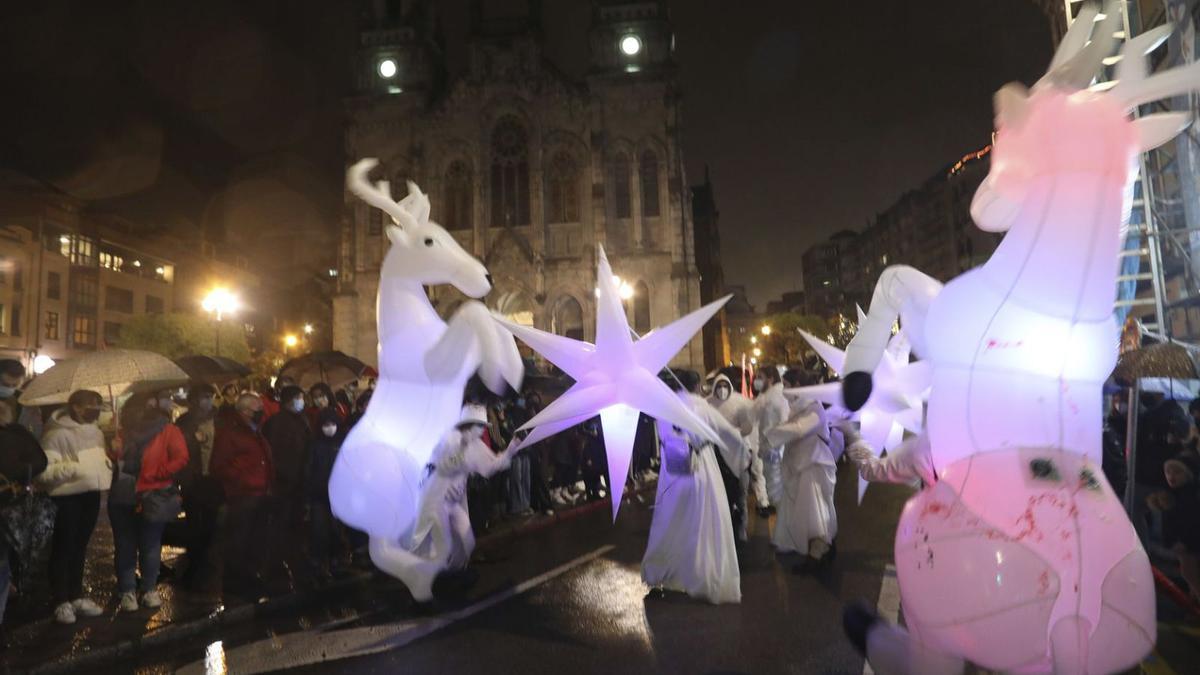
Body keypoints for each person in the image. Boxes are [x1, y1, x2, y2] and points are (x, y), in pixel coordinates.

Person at [369, 404, 518, 603]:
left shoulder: (476, 445)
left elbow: (491, 466)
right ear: (468, 425)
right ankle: (426, 583)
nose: (483, 430)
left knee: (467, 542)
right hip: (435, 501)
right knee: (442, 546)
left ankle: (452, 577)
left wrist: (511, 449)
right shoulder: (448, 439)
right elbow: (442, 464)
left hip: (452, 504)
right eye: (479, 426)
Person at [642, 370, 744, 604]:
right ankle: (700, 575)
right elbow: (730, 435)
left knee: (671, 520)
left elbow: (663, 436)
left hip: (673, 470)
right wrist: (740, 454)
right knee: (703, 520)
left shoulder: (665, 408)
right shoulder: (704, 408)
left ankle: (666, 575)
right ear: (697, 385)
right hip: (702, 467)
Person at [108, 394, 189, 611]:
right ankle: (127, 590)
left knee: (151, 545)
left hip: (153, 495)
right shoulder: (120, 432)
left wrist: (157, 473)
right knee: (125, 545)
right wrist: (112, 450)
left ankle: (149, 589)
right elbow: (113, 464)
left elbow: (180, 457)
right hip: (123, 495)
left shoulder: (168, 430)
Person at [39, 390, 111, 624]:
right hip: (66, 498)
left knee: (80, 546)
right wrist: (72, 469)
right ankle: (61, 600)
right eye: (92, 406)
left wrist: (108, 463)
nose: (97, 411)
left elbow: (100, 463)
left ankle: (76, 595)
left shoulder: (97, 433)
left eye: (99, 406)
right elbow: (44, 473)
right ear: (76, 407)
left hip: (90, 496)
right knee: (63, 547)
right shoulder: (55, 435)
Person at [210, 394, 277, 593]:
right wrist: (243, 479)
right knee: (240, 540)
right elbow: (219, 466)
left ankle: (252, 576)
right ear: (245, 411)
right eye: (257, 408)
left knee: (257, 539)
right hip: (242, 496)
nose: (261, 411)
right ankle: (236, 583)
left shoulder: (255, 431)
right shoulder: (231, 434)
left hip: (260, 493)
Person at [767, 391, 837, 572]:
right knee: (803, 510)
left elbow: (799, 429)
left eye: (788, 386)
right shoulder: (798, 407)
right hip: (799, 463)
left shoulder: (815, 407)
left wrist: (771, 434)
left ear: (798, 386)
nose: (785, 391)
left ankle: (818, 554)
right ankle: (812, 550)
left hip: (812, 463)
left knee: (814, 512)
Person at [0, 398, 48, 631]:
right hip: (11, 506)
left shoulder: (16, 435)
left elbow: (40, 462)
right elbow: (40, 462)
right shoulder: (17, 435)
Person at [175, 384, 222, 592]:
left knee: (212, 520)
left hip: (213, 477)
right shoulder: (184, 421)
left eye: (210, 396)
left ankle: (209, 557)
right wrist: (194, 441)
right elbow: (178, 449)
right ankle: (195, 560)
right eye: (203, 396)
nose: (208, 400)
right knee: (194, 520)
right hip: (192, 478)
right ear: (194, 400)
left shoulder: (220, 419)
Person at [262, 385, 312, 557]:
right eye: (299, 397)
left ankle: (292, 553)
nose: (301, 401)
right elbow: (275, 453)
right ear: (289, 400)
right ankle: (280, 557)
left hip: (298, 480)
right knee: (283, 521)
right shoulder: (277, 423)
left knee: (295, 520)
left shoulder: (301, 419)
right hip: (285, 482)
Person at [707, 373, 757, 542]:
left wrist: (733, 433)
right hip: (718, 455)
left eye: (725, 386)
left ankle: (742, 528)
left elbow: (748, 427)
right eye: (719, 386)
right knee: (722, 496)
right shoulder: (708, 404)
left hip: (739, 453)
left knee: (741, 494)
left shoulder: (739, 403)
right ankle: (725, 531)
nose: (722, 390)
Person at [1148, 452, 1200, 603]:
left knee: (1189, 572)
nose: (1171, 476)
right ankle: (1194, 601)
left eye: (1176, 472)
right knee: (1191, 573)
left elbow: (1190, 523)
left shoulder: (1188, 496)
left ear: (1187, 474)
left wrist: (1183, 541)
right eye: (1168, 471)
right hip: (1186, 542)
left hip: (1189, 543)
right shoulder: (1174, 494)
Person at [307, 409, 345, 578]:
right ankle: (319, 562)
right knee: (319, 530)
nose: (329, 428)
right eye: (325, 425)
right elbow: (308, 470)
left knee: (337, 529)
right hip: (320, 495)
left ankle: (337, 558)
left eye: (332, 424)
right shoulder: (315, 445)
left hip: (339, 495)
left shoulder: (343, 443)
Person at [752, 365, 788, 516]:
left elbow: (770, 427)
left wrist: (764, 448)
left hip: (773, 451)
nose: (756, 381)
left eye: (760, 377)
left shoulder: (771, 399)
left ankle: (786, 532)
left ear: (771, 379)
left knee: (776, 492)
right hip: (779, 449)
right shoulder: (775, 395)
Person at [0, 359, 42, 437]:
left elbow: (36, 431)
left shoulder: (27, 402)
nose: (10, 389)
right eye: (6, 385)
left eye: (15, 385)